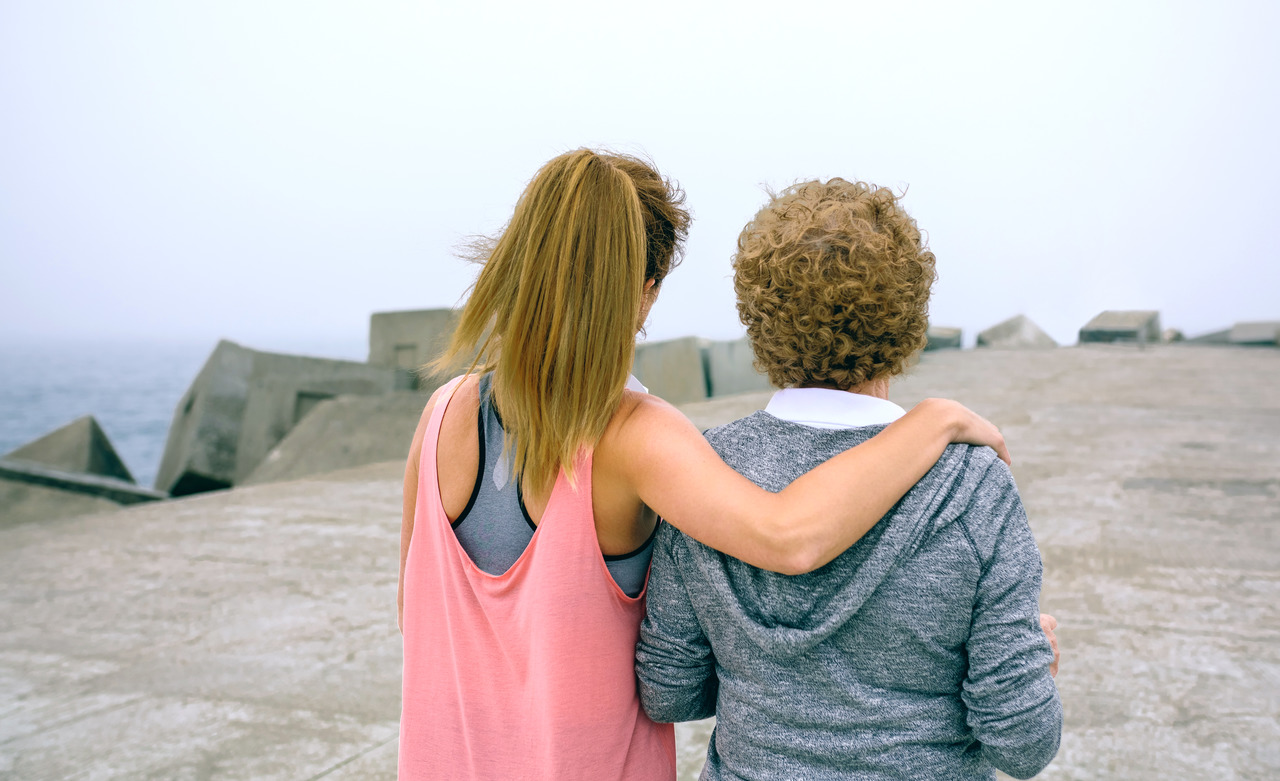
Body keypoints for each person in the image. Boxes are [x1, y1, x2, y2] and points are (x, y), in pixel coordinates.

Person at [397, 152, 1013, 780]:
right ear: (645, 291)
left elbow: (415, 618)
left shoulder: (442, 415)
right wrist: (932, 421)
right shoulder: (635, 436)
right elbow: (789, 535)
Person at [635, 178, 1063, 779]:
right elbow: (1022, 744)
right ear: (909, 315)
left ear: (758, 317)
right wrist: (1029, 655)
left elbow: (669, 691)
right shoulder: (972, 485)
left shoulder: (706, 472)